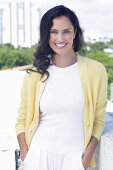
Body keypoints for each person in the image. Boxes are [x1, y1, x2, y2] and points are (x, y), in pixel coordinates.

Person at [15, 5, 108, 170]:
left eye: (66, 31)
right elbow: (22, 120)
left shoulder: (96, 71)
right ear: (47, 35)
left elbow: (98, 121)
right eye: (53, 32)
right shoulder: (34, 75)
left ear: (74, 33)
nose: (60, 38)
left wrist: (85, 160)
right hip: (38, 156)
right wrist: (26, 155)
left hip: (75, 159)